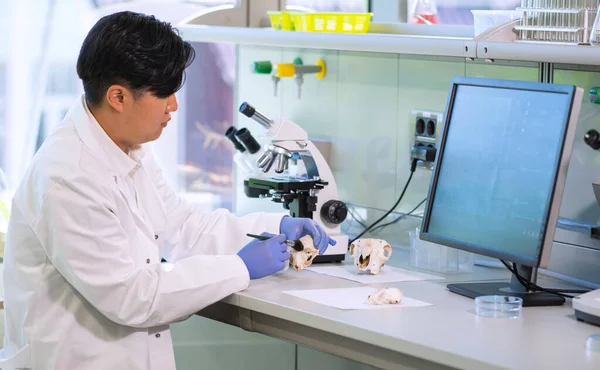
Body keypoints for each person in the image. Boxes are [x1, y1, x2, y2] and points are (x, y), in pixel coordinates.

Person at [0, 11, 335, 370]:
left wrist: (274, 225)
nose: (173, 106)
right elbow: (131, 296)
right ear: (118, 97)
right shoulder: (67, 177)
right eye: (164, 94)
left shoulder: (128, 145)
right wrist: (239, 266)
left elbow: (178, 225)